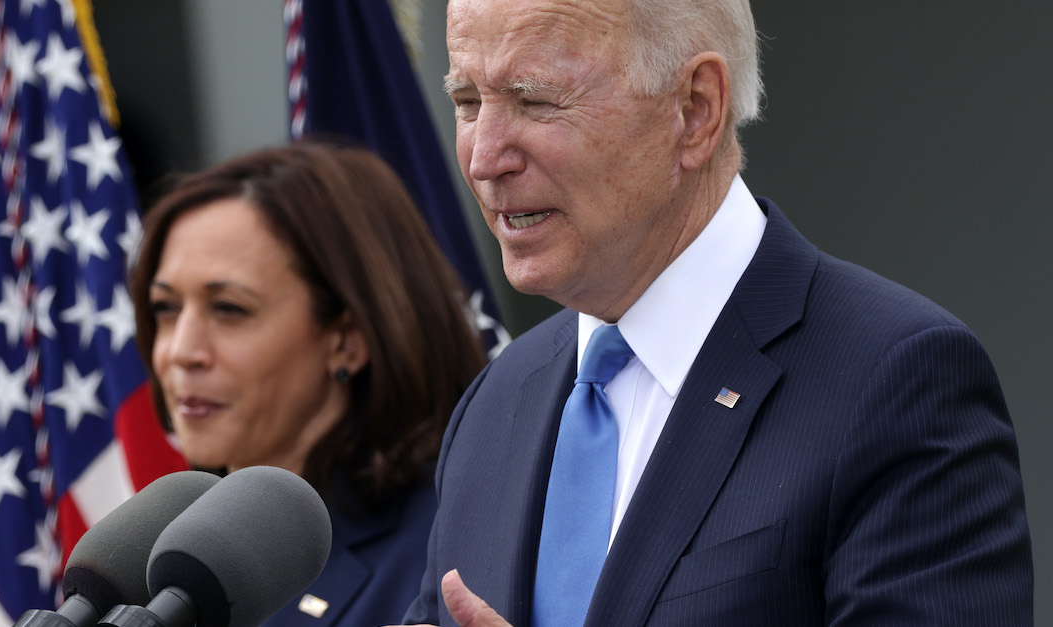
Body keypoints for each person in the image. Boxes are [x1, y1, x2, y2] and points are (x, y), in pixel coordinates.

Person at [398, 0, 1034, 625]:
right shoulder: (493, 402)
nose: (484, 159)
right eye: (468, 104)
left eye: (534, 101)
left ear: (695, 110)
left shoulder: (896, 380)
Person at [128, 141, 487, 626]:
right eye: (166, 308)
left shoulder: (455, 549)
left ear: (347, 339)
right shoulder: (150, 562)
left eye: (229, 309)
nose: (180, 351)